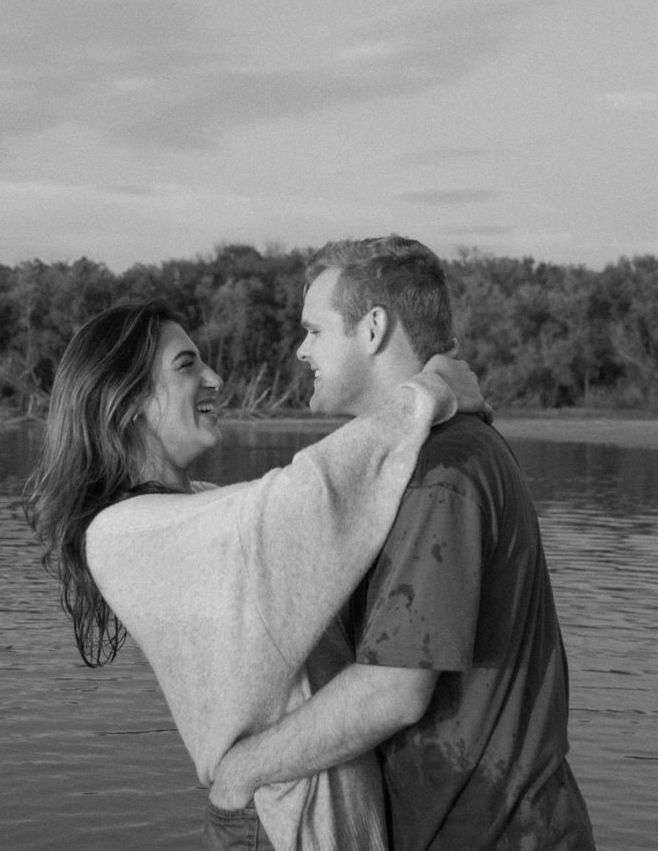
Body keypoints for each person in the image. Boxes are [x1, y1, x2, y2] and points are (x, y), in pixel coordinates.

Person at [24, 298, 488, 851]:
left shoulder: (198, 509)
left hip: (306, 809)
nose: (214, 378)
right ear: (125, 405)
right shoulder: (122, 533)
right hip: (276, 818)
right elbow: (309, 493)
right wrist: (428, 391)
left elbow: (316, 510)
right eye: (186, 365)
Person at [211, 237, 595, 851]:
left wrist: (241, 771)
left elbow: (395, 690)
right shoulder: (424, 456)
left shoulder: (442, 472)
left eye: (314, 330)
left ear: (372, 330)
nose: (300, 349)